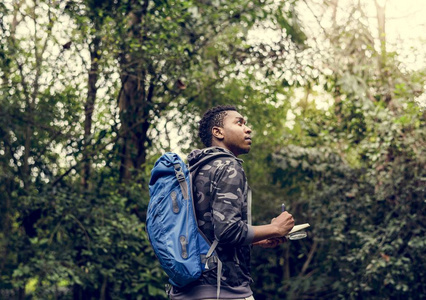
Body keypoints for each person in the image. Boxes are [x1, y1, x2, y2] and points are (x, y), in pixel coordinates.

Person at [169, 105, 295, 300]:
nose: (248, 129)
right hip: (223, 291)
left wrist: (258, 238)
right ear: (218, 132)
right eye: (239, 123)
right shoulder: (228, 166)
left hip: (187, 289)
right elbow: (227, 231)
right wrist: (276, 228)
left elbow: (208, 233)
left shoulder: (192, 171)